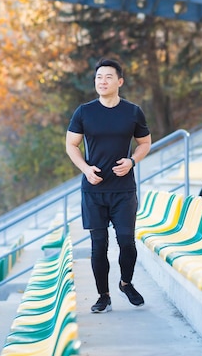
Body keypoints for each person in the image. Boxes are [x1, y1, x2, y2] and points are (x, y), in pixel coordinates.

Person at [66, 58, 152, 313]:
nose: (102, 82)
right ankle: (103, 295)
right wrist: (85, 168)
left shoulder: (133, 111)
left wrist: (132, 161)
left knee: (127, 241)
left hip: (124, 190)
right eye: (98, 78)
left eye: (108, 77)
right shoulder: (84, 112)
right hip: (94, 190)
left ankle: (126, 283)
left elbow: (145, 143)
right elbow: (71, 145)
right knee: (99, 244)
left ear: (120, 81)